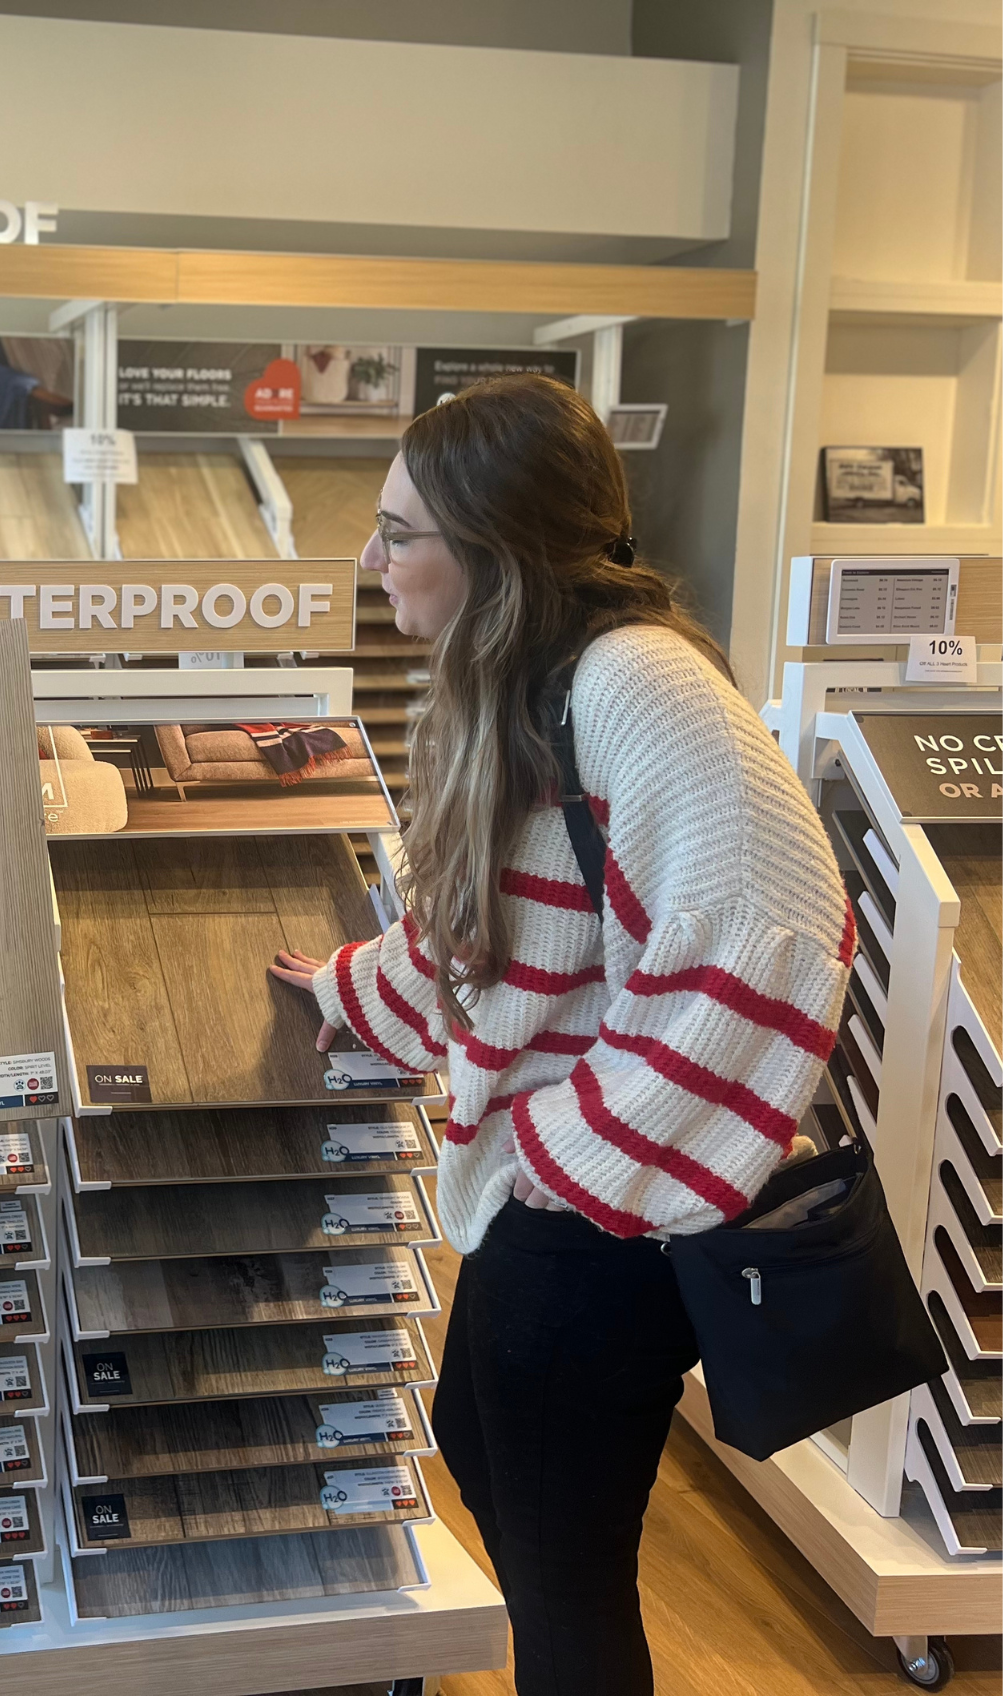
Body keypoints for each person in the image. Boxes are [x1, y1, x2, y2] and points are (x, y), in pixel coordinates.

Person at [269, 375, 852, 1696]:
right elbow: (487, 935)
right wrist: (346, 988)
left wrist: (579, 1154)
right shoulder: (512, 689)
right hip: (554, 1206)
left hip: (599, 1220)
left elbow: (780, 924)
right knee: (486, 1458)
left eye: (400, 532)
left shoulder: (637, 683)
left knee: (563, 1575)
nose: (375, 562)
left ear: (492, 544)